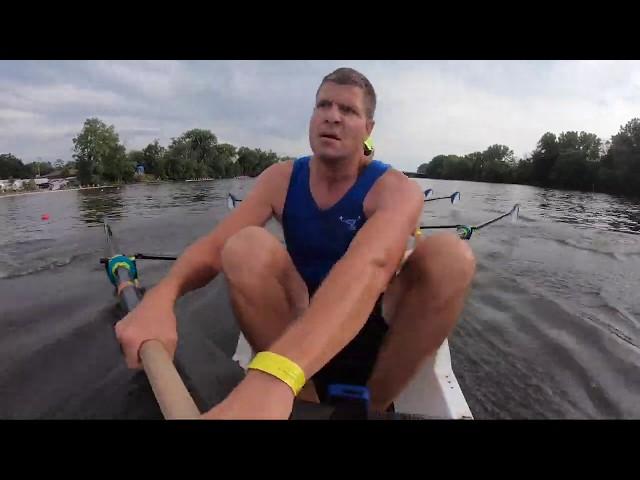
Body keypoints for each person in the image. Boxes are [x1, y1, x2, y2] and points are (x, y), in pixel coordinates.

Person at [115, 67, 476, 419]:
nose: (332, 117)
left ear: (368, 128)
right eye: (323, 105)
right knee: (244, 246)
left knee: (451, 256)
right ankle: (303, 401)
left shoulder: (396, 189)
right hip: (296, 315)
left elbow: (373, 265)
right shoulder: (280, 178)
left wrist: (274, 374)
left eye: (347, 110)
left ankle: (375, 405)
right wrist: (161, 297)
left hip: (372, 321)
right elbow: (215, 246)